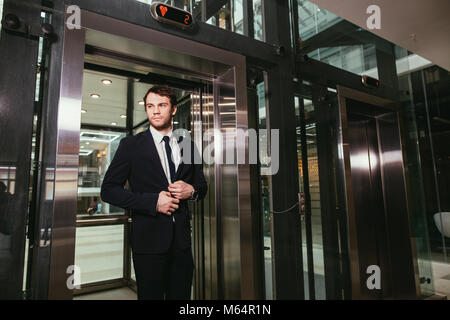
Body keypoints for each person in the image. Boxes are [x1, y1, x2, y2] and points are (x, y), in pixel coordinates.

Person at [100, 85, 207, 300]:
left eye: (162, 105)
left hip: (182, 245)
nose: (155, 111)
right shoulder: (130, 145)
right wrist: (152, 202)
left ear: (174, 109)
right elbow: (108, 191)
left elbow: (202, 188)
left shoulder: (189, 145)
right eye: (150, 106)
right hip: (148, 244)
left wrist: (191, 190)